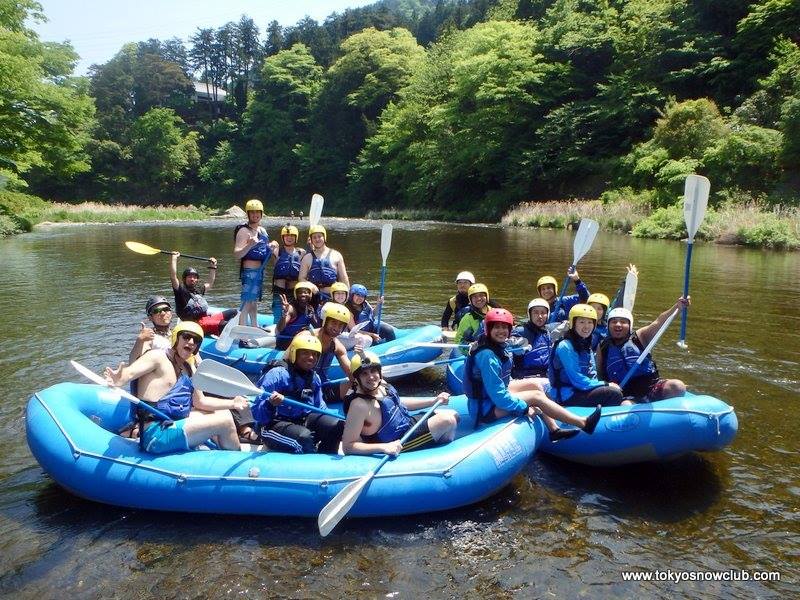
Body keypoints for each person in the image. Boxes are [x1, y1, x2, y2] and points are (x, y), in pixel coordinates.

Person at [104, 322, 245, 454]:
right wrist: (118, 379)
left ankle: (226, 454)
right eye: (186, 337)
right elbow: (129, 373)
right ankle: (236, 460)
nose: (191, 342)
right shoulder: (158, 357)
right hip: (155, 434)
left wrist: (233, 403)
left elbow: (201, 402)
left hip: (172, 424)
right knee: (224, 422)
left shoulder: (189, 368)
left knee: (225, 414)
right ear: (176, 339)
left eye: (196, 340)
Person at [465, 308, 600, 442]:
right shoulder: (487, 356)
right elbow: (499, 396)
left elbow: (500, 385)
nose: (501, 331)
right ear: (488, 329)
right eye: (496, 327)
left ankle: (554, 430)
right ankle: (584, 423)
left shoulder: (497, 346)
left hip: (490, 397)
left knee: (534, 386)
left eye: (504, 327)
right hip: (484, 409)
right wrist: (524, 407)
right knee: (536, 397)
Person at [342, 351, 458, 456]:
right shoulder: (359, 405)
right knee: (447, 421)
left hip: (406, 424)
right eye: (364, 374)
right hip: (396, 442)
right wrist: (384, 447)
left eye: (373, 371)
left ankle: (436, 445)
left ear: (379, 371)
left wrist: (433, 401)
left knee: (454, 415)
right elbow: (348, 446)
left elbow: (397, 402)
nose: (371, 377)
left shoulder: (382, 385)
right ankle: (441, 455)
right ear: (357, 378)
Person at [250, 332, 344, 454]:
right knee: (303, 437)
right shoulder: (277, 374)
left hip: (301, 421)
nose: (311, 357)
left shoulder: (314, 378)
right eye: (305, 353)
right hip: (273, 424)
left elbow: (320, 408)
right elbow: (257, 414)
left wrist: (342, 420)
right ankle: (310, 458)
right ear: (294, 353)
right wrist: (270, 404)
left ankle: (325, 457)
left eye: (314, 354)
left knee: (336, 425)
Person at [597, 298, 690, 401]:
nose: (618, 324)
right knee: (626, 405)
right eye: (614, 322)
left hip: (650, 387)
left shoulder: (640, 337)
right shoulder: (603, 346)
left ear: (630, 325)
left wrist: (677, 307)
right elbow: (600, 374)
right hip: (625, 392)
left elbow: (659, 322)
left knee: (678, 386)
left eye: (623, 322)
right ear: (608, 325)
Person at [548, 304, 625, 407]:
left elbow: (592, 373)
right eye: (582, 322)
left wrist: (602, 385)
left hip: (580, 390)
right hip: (566, 395)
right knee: (614, 394)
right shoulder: (565, 346)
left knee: (614, 390)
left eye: (590, 322)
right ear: (573, 323)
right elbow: (577, 379)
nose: (586, 326)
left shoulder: (585, 344)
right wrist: (605, 384)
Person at [169, 252, 235, 335]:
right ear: (184, 279)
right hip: (196, 325)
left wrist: (213, 267)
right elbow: (173, 277)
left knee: (233, 312)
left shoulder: (197, 290)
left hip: (207, 319)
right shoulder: (181, 292)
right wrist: (174, 259)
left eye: (195, 277)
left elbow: (210, 283)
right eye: (189, 277)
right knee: (225, 325)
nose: (192, 279)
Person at [233, 199, 275, 327]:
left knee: (253, 302)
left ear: (261, 214)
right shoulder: (243, 231)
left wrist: (272, 247)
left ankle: (254, 326)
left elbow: (265, 250)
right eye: (252, 212)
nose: (255, 215)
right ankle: (242, 328)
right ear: (248, 214)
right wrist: (249, 245)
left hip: (259, 271)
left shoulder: (262, 231)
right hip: (250, 272)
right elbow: (237, 254)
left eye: (257, 212)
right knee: (247, 302)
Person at [313, 302, 354, 404]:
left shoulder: (338, 347)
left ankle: (348, 401)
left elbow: (351, 373)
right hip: (300, 388)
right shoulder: (307, 337)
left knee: (357, 385)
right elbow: (284, 364)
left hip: (322, 388)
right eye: (333, 323)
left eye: (340, 325)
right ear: (325, 321)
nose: (337, 328)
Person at [298, 225, 349, 301]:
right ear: (311, 240)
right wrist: (311, 286)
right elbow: (301, 278)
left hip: (333, 296)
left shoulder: (336, 255)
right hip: (315, 296)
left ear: (324, 237)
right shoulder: (307, 258)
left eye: (319, 236)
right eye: (314, 237)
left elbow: (344, 279)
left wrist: (347, 297)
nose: (317, 239)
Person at [271, 223, 306, 322]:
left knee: (294, 315)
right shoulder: (277, 250)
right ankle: (277, 326)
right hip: (279, 291)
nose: (289, 238)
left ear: (296, 238)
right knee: (278, 314)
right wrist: (272, 244)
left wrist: (311, 245)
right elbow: (267, 248)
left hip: (294, 292)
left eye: (292, 236)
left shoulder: (301, 252)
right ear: (283, 237)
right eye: (286, 236)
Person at [510, 298, 552, 380]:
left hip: (545, 375)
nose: (540, 316)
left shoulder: (548, 332)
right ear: (530, 314)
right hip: (525, 376)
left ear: (548, 314)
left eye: (543, 313)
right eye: (536, 313)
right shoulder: (520, 331)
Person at [275, 281, 321, 350]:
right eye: (300, 292)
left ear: (310, 295)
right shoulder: (291, 309)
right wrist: (284, 315)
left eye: (306, 292)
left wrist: (315, 315)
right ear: (296, 295)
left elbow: (318, 327)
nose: (303, 294)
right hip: (285, 343)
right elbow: (280, 328)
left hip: (300, 342)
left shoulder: (310, 309)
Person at [129, 296, 174, 364]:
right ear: (150, 317)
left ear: (171, 313)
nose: (163, 313)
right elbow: (133, 362)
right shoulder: (149, 337)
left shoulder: (179, 332)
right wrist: (140, 340)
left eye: (166, 309)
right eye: (157, 311)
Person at [455, 283, 491, 350]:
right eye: (474, 296)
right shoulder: (467, 318)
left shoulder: (495, 313)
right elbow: (459, 341)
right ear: (470, 300)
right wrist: (469, 347)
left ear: (487, 297)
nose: (478, 299)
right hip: (476, 351)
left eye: (481, 295)